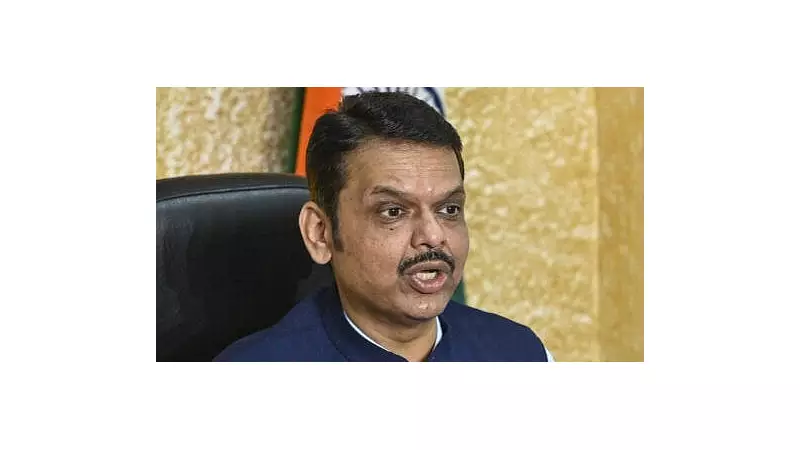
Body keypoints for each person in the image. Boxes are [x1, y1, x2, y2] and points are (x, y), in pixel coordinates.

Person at [214, 91, 554, 362]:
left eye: (449, 209)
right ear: (320, 233)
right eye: (393, 212)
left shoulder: (520, 353)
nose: (433, 236)